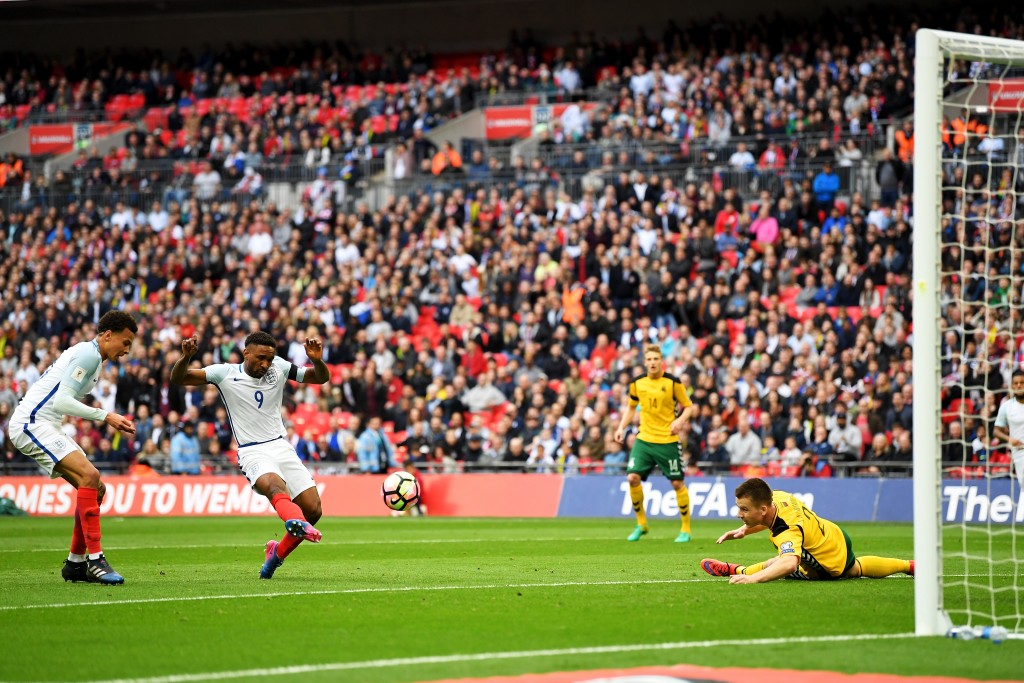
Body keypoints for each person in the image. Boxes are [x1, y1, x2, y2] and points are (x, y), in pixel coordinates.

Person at [170, 331, 330, 579]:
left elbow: (318, 378)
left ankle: (276, 553)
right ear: (246, 353)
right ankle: (295, 521)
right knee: (275, 486)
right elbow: (179, 378)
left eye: (269, 358)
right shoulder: (224, 373)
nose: (265, 364)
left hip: (280, 445)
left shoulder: (279, 367)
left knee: (314, 510)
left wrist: (317, 361)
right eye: (260, 358)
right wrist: (185, 357)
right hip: (252, 449)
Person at [5, 311, 138, 585]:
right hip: (32, 422)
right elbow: (62, 402)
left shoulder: (95, 358)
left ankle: (76, 564)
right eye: (125, 342)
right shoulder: (88, 355)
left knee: (96, 488)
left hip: (46, 423)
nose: (127, 350)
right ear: (107, 335)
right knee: (90, 477)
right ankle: (96, 559)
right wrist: (106, 416)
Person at [700, 478, 914, 583]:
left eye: (744, 509)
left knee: (779, 563)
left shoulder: (788, 529)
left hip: (826, 565)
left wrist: (753, 579)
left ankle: (738, 571)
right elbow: (764, 518)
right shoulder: (778, 496)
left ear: (763, 508)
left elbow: (789, 563)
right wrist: (744, 530)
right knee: (855, 568)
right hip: (834, 534)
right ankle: (910, 565)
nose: (739, 513)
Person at [613, 344, 696, 543]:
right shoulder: (637, 383)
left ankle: (686, 529)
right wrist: (620, 428)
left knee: (677, 483)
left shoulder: (673, 382)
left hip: (667, 440)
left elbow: (689, 407)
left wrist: (679, 421)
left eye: (655, 359)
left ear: (661, 361)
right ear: (645, 362)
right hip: (644, 439)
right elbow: (631, 408)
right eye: (649, 359)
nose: (652, 363)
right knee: (632, 478)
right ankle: (641, 524)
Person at [993, 369, 1024, 491]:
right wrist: (1009, 439)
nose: (1019, 385)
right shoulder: (1006, 406)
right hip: (1019, 453)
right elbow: (996, 431)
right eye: (1016, 383)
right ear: (1012, 385)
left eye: (1022, 382)